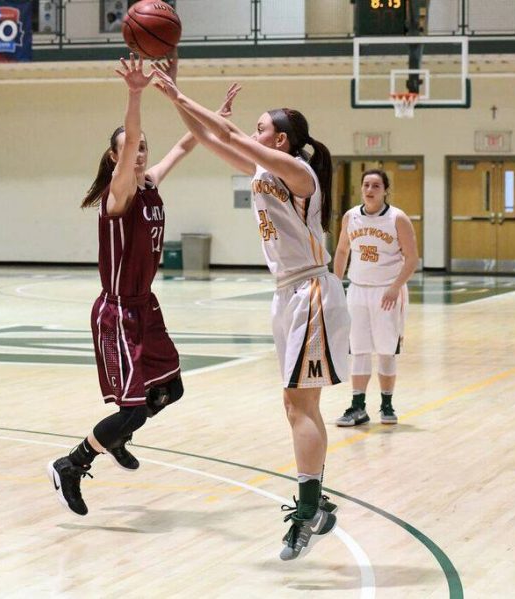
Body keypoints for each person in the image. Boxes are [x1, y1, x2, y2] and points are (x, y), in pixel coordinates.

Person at [152, 68, 349, 561]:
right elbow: (208, 136)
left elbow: (230, 134)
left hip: (312, 291)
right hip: (286, 294)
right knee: (302, 407)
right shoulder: (264, 171)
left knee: (296, 406)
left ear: (280, 139)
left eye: (262, 128)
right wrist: (181, 104)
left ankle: (307, 510)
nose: (254, 133)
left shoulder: (299, 174)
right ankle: (317, 503)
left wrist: (180, 92)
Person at [46, 54, 239, 516]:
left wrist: (212, 117)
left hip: (145, 307)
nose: (141, 151)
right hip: (117, 312)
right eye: (132, 148)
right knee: (131, 409)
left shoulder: (149, 182)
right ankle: (71, 464)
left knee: (171, 389)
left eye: (144, 147)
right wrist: (135, 93)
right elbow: (132, 137)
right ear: (116, 157)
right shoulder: (120, 193)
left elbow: (185, 146)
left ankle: (116, 435)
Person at [333, 169, 419, 426]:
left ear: (385, 190)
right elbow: (341, 251)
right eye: (366, 185)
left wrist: (395, 287)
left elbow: (412, 258)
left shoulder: (397, 218)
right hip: (358, 289)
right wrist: (337, 285)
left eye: (376, 186)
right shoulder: (351, 217)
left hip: (387, 292)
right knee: (358, 349)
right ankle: (358, 406)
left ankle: (387, 404)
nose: (370, 190)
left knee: (385, 350)